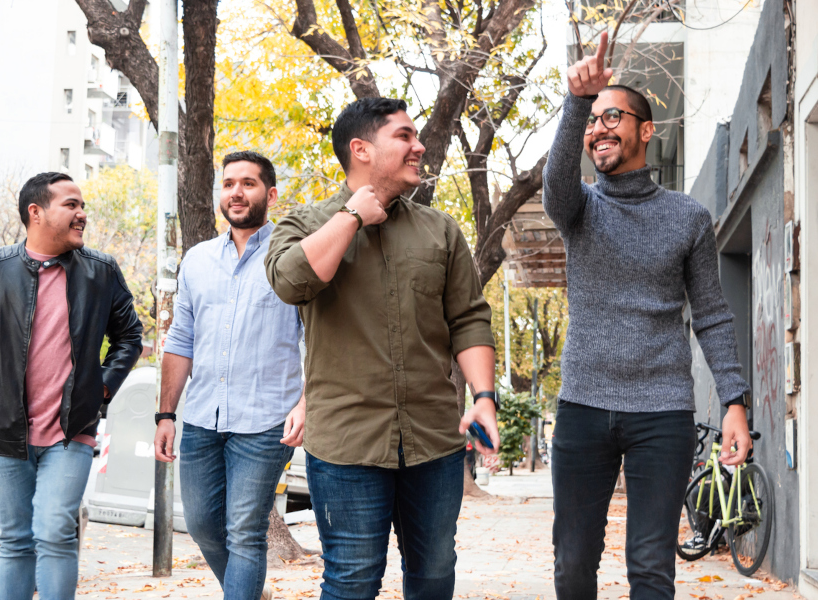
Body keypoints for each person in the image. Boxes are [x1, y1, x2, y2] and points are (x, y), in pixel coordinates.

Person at [543, 32, 752, 600]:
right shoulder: (580, 208)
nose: (599, 129)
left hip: (663, 410)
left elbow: (710, 312)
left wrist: (735, 402)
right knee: (572, 561)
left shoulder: (688, 218)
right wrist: (576, 104)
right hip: (584, 405)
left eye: (613, 116)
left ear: (645, 130)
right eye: (593, 122)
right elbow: (555, 185)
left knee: (652, 565)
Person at [265, 97, 499, 600]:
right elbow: (291, 282)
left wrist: (484, 397)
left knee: (435, 574)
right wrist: (351, 215)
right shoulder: (304, 224)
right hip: (347, 443)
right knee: (351, 580)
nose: (420, 146)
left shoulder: (441, 231)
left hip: (433, 440)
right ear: (361, 149)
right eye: (405, 136)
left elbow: (469, 320)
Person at [0, 172, 143, 600]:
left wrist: (101, 387)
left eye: (83, 206)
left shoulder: (101, 272)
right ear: (36, 212)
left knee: (55, 532)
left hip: (70, 432)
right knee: (14, 541)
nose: (82, 214)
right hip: (6, 432)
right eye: (72, 205)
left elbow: (129, 337)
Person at [154, 151, 305, 600]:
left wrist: (305, 403)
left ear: (270, 194)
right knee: (201, 525)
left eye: (249, 184)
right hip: (202, 417)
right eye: (229, 183)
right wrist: (166, 414)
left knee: (244, 531)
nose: (236, 192)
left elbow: (315, 338)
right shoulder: (197, 260)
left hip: (265, 421)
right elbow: (180, 339)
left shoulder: (293, 257)